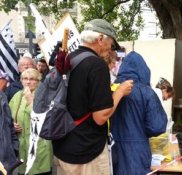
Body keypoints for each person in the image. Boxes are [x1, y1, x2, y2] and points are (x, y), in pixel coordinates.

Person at [52, 19, 133, 175]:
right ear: (101, 39)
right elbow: (100, 117)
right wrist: (119, 92)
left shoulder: (69, 59)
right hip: (86, 153)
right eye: (112, 44)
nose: (111, 49)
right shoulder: (96, 65)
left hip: (62, 148)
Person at [110, 51, 167, 174]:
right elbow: (157, 126)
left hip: (111, 150)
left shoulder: (111, 88)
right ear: (144, 70)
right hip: (137, 152)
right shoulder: (147, 92)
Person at [9, 68, 53, 175]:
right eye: (25, 79)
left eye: (32, 79)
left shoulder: (46, 95)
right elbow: (8, 116)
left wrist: (30, 100)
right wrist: (12, 125)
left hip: (39, 148)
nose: (28, 82)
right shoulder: (18, 95)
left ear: (38, 81)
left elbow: (44, 119)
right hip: (22, 149)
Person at [0, 70, 20, 174]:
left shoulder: (2, 97)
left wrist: (14, 148)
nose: (5, 83)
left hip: (7, 157)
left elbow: (9, 124)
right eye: (3, 80)